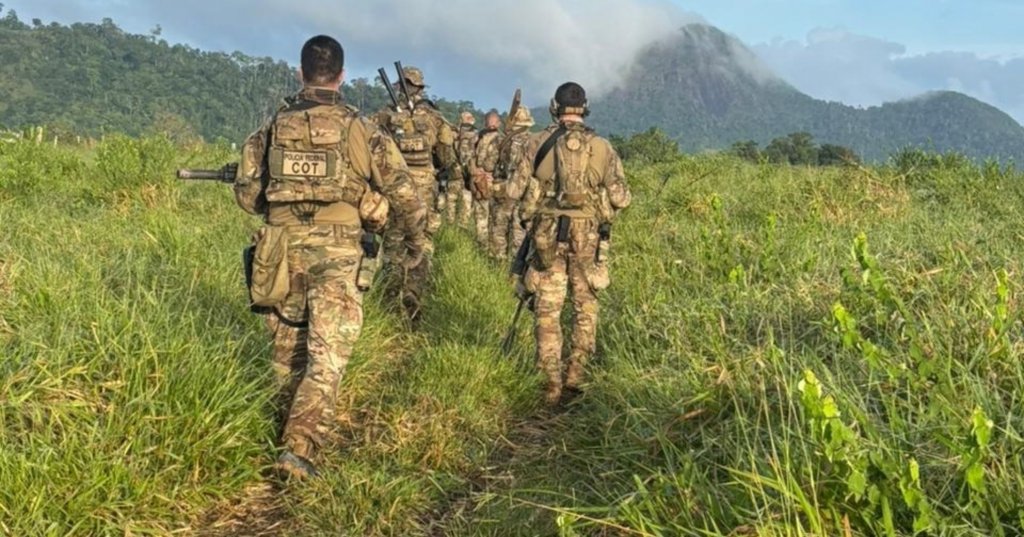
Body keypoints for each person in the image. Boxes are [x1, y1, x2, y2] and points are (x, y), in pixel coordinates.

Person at [234, 35, 426, 478]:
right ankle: (298, 449)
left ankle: (281, 435)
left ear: (300, 73)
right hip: (338, 253)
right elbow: (406, 194)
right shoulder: (362, 130)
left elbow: (247, 196)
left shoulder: (271, 129)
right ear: (341, 76)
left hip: (280, 251)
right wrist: (414, 242)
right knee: (327, 356)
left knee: (286, 352)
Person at [517, 82, 632, 405]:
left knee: (547, 308)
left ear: (554, 107)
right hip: (588, 236)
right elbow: (621, 198)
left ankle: (549, 382)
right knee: (585, 305)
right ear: (585, 107)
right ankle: (577, 375)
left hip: (546, 234)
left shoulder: (536, 142)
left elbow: (516, 191)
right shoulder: (602, 147)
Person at [375, 66, 457, 320]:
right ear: (420, 88)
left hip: (394, 185)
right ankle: (414, 294)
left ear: (399, 86)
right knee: (421, 241)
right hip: (423, 188)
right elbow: (446, 155)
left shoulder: (385, 115)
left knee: (393, 241)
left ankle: (390, 301)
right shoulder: (435, 118)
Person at [489, 105, 534, 260]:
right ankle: (515, 266)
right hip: (523, 193)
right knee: (519, 233)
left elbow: (488, 164)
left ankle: (496, 264)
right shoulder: (534, 142)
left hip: (502, 191)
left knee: (499, 230)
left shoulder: (501, 140)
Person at [470, 110, 502, 249]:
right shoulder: (479, 137)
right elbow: (470, 156)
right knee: (483, 213)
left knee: (488, 214)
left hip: (489, 179)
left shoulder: (499, 140)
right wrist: (475, 170)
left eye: (493, 121)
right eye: (490, 121)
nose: (491, 124)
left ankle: (486, 244)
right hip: (482, 179)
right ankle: (484, 244)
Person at [452, 111, 478, 228]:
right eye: (470, 118)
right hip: (467, 172)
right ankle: (463, 225)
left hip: (454, 171)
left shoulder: (454, 133)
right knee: (466, 199)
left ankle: (451, 225)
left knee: (451, 200)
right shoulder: (475, 134)